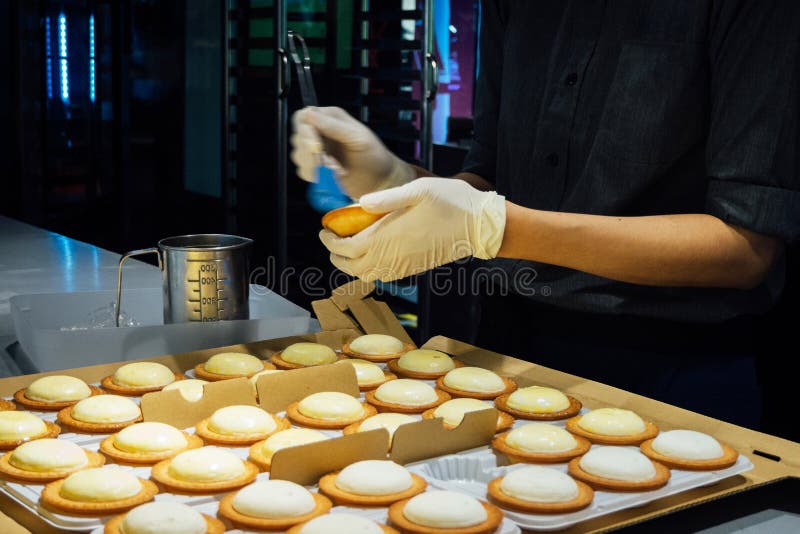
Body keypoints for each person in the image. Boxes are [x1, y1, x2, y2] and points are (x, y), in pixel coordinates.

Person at [290, 1, 799, 429]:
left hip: (672, 367)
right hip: (501, 348)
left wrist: (497, 227)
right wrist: (392, 180)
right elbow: (487, 175)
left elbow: (744, 247)